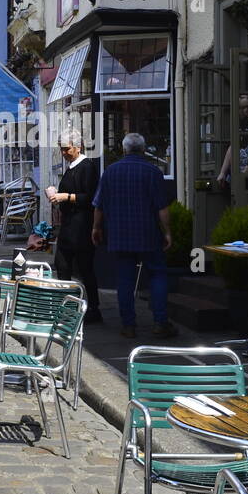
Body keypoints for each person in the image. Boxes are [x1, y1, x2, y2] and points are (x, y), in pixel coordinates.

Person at [92, 133, 176, 340]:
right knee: (157, 274)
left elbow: (98, 205)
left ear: (124, 149)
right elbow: (162, 208)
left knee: (124, 280)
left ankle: (128, 326)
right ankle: (160, 323)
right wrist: (167, 232)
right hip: (147, 233)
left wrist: (96, 228)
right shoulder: (153, 171)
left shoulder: (110, 172)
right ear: (143, 149)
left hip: (120, 234)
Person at [48, 130, 102, 323]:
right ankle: (67, 307)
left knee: (85, 269)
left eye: (66, 149)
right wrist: (55, 194)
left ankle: (94, 309)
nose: (63, 152)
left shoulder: (87, 167)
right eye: (61, 149)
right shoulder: (72, 167)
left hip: (82, 226)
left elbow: (90, 197)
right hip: (68, 226)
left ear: (78, 147)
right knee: (62, 265)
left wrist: (65, 197)